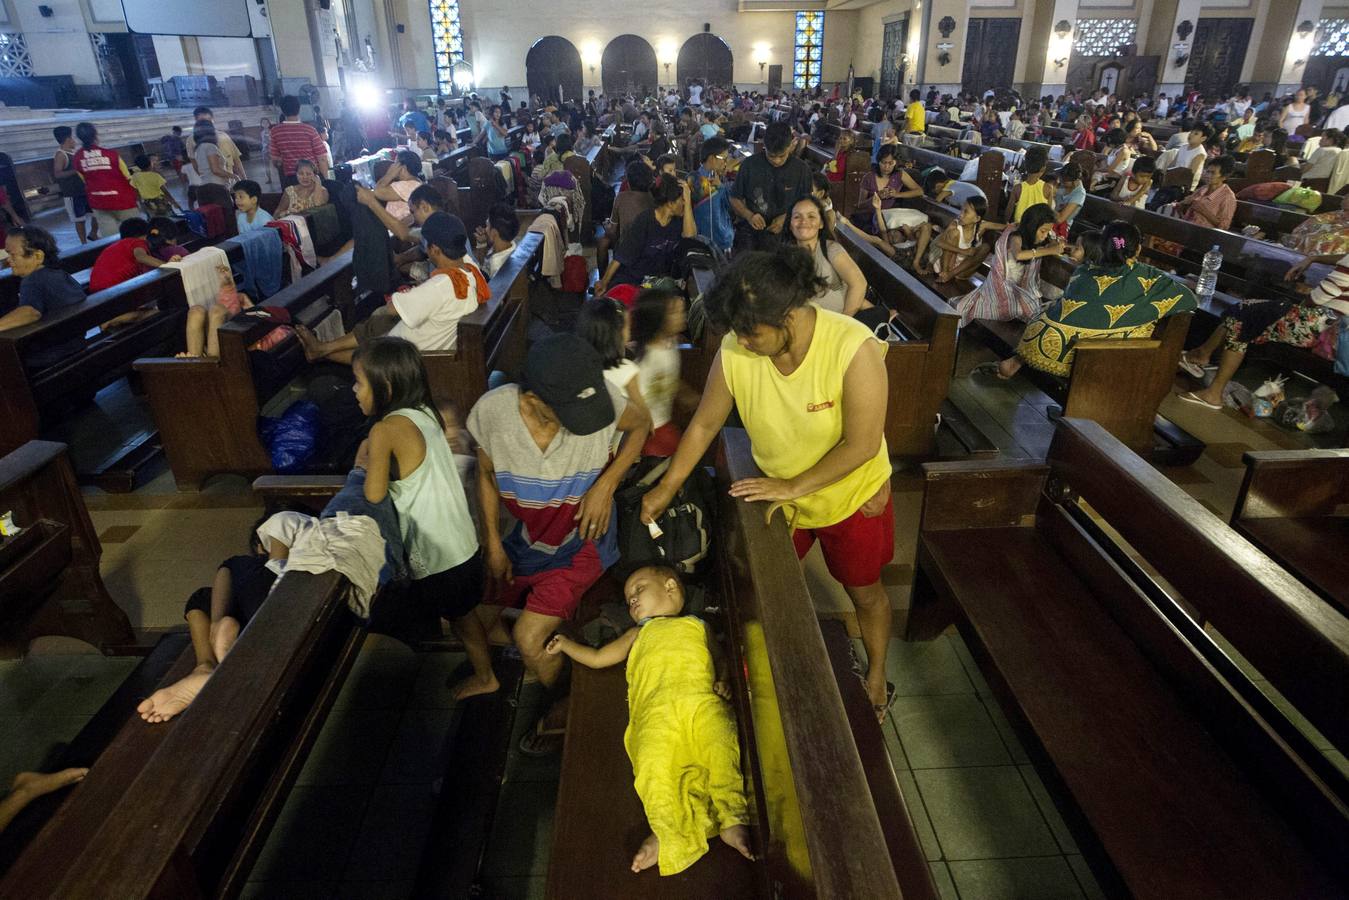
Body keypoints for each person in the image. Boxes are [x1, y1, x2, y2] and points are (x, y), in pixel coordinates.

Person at [639, 248, 894, 717]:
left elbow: (861, 444)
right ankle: (753, 670)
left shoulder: (851, 347)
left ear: (788, 315)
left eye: (751, 331)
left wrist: (792, 486)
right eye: (735, 331)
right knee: (759, 587)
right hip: (785, 496)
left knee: (864, 591)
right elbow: (702, 425)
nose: (742, 341)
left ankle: (877, 673)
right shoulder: (738, 351)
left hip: (851, 496)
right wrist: (667, 487)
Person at [467, 333, 650, 753]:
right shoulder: (493, 413)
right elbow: (485, 474)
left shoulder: (598, 402)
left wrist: (606, 483)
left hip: (582, 541)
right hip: (526, 538)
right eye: (569, 412)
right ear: (531, 399)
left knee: (531, 639)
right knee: (475, 618)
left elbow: (641, 424)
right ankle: (545, 665)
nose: (584, 419)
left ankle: (564, 705)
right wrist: (494, 543)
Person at [545, 565, 753, 874]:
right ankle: (665, 831)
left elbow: (720, 659)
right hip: (656, 714)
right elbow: (599, 658)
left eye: (638, 590)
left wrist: (722, 680)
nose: (632, 602)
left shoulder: (698, 626)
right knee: (653, 767)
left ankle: (732, 817)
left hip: (700, 701)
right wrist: (565, 644)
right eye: (628, 599)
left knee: (721, 744)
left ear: (670, 586)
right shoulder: (638, 633)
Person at [355, 337, 494, 699]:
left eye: (359, 382)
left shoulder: (383, 430)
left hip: (439, 554)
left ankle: (486, 676)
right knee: (463, 613)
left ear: (384, 386)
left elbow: (373, 493)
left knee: (463, 619)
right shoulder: (423, 410)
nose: (354, 391)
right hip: (462, 541)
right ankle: (485, 658)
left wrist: (366, 459)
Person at [985, 221, 1197, 380]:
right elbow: (1188, 299)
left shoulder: (1086, 269)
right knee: (1139, 324)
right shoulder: (1147, 275)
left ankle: (1014, 363)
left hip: (1036, 337)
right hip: (1080, 354)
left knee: (1055, 308)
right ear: (1138, 249)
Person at [299, 213, 485, 365]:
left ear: (435, 249)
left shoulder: (441, 285)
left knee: (380, 320)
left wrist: (407, 294)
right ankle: (322, 349)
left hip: (410, 358)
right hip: (430, 345)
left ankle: (322, 351)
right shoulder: (470, 268)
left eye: (425, 246)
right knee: (379, 325)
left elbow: (392, 308)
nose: (426, 252)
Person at [1178, 253, 1348, 409]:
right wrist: (1313, 258)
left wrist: (1290, 310)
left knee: (1242, 319)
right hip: (1333, 332)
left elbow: (1316, 299)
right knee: (1247, 310)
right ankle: (1201, 355)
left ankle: (1213, 392)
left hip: (1320, 328)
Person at [953, 204, 1061, 325]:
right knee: (1025, 309)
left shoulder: (1035, 239)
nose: (1045, 235)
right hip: (1001, 285)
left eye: (1047, 232)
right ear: (1032, 226)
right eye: (1043, 231)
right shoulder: (1016, 236)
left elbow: (1050, 241)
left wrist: (1053, 244)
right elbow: (1018, 255)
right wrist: (1050, 250)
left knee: (1030, 308)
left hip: (1017, 287)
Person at [0, 227, 86, 368]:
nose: (8, 261)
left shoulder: (33, 279)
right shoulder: (59, 274)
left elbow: (30, 312)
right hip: (77, 346)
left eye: (13, 255)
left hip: (53, 356)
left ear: (38, 256)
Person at [595, 176, 695, 295]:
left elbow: (690, 235)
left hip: (657, 281)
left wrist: (688, 202)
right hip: (633, 278)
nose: (685, 203)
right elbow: (621, 256)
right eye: (682, 199)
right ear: (671, 203)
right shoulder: (645, 220)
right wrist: (604, 282)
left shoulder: (678, 221)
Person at [729, 121, 814, 252]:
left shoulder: (802, 170)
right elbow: (735, 198)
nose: (776, 161)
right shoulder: (749, 165)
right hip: (752, 232)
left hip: (787, 233)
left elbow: (807, 204)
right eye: (771, 156)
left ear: (791, 146)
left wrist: (786, 217)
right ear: (764, 145)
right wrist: (749, 215)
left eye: (782, 156)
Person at [786, 195, 874, 318]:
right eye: (797, 217)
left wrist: (844, 322)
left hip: (839, 322)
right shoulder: (785, 256)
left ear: (821, 223)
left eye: (811, 216)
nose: (803, 222)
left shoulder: (831, 249)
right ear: (790, 224)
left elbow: (859, 284)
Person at [631, 286, 694, 457]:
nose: (683, 315)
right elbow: (638, 401)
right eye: (675, 313)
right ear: (658, 320)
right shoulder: (649, 359)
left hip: (662, 424)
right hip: (650, 431)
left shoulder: (669, 343)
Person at [71, 122, 140, 236]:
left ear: (79, 138)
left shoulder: (77, 158)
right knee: (135, 235)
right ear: (96, 135)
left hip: (99, 202)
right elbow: (128, 178)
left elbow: (84, 180)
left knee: (111, 238)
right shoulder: (111, 155)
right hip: (123, 200)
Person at [920, 195, 996, 282]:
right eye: (961, 210)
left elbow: (1001, 226)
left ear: (977, 218)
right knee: (954, 233)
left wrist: (1012, 226)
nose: (960, 214)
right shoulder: (955, 225)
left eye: (966, 212)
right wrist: (963, 251)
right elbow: (939, 243)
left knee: (986, 247)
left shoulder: (980, 227)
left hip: (960, 270)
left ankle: (950, 275)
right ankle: (945, 273)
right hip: (946, 264)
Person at [88, 217, 169, 293]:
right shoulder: (137, 242)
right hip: (112, 290)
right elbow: (141, 257)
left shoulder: (119, 245)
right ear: (145, 235)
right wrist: (169, 265)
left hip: (96, 289)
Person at [271, 95, 330, 186]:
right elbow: (322, 158)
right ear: (299, 109)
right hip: (311, 177)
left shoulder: (275, 132)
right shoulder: (310, 130)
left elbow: (276, 160)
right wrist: (325, 180)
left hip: (291, 180)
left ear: (282, 111)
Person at [52, 126, 94, 244]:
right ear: (68, 139)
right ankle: (83, 242)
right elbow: (58, 174)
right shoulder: (61, 155)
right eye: (73, 138)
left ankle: (93, 233)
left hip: (83, 190)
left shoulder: (72, 153)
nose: (75, 141)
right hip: (72, 193)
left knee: (96, 212)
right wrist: (76, 170)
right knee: (79, 219)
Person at [1177, 156, 1237, 231]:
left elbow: (1224, 226)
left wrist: (1203, 211)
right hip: (1187, 227)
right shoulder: (1203, 189)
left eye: (1213, 173)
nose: (1208, 176)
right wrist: (1183, 204)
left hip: (1204, 234)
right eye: (1208, 171)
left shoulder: (1228, 197)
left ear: (1224, 177)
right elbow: (1183, 209)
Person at [186, 107, 246, 181]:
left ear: (213, 120)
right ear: (196, 121)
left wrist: (244, 179)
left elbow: (236, 159)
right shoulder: (191, 140)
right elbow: (195, 164)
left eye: (208, 121)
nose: (206, 124)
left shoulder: (223, 136)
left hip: (230, 180)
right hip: (214, 183)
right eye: (202, 121)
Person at [1285, 190, 1349, 256]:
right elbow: (1299, 231)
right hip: (1299, 255)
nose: (1344, 215)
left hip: (1332, 262)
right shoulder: (1330, 216)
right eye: (1344, 210)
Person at [1007, 145, 1054, 223]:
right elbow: (1048, 214)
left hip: (1020, 228)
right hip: (1037, 230)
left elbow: (1009, 211)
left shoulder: (1017, 188)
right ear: (1043, 168)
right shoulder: (1048, 188)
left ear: (1025, 166)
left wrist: (1007, 223)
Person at [473, 202, 520, 278]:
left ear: (494, 233)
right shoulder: (511, 244)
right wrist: (481, 244)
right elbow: (484, 263)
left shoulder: (496, 266)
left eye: (487, 226)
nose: (485, 229)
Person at [128, 153, 181, 218]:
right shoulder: (156, 176)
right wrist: (174, 202)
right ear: (150, 163)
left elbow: (136, 192)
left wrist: (140, 203)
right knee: (169, 218)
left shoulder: (135, 177)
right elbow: (165, 191)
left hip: (148, 204)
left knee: (154, 220)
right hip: (161, 202)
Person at [192, 122, 234, 188]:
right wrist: (234, 176)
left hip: (205, 184)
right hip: (217, 185)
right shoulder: (210, 146)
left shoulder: (198, 148)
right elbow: (215, 170)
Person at [1174, 125, 1211, 189]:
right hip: (1174, 180)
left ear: (1203, 138)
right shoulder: (1183, 147)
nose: (1191, 135)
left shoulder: (1200, 153)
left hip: (1185, 187)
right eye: (1191, 132)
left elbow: (1190, 174)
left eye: (1196, 134)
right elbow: (1174, 164)